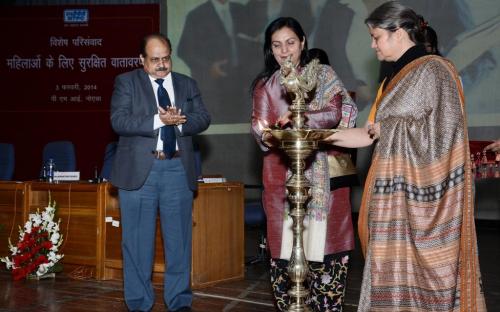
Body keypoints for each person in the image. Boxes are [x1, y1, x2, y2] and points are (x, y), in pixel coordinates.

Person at [324, 1, 487, 311]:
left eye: (376, 37)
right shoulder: (393, 78)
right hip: (392, 205)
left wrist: (393, 129)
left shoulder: (436, 70)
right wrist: (313, 137)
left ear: (398, 32)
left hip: (425, 204)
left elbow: (446, 137)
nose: (372, 45)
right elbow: (371, 133)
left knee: (431, 286)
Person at [250, 17, 357, 311]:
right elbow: (260, 132)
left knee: (327, 263)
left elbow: (336, 112)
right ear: (270, 50)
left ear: (303, 42)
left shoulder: (323, 75)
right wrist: (275, 132)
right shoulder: (265, 86)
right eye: (276, 45)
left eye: (290, 43)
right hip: (281, 185)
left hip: (325, 187)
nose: (284, 51)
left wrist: (300, 119)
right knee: (286, 269)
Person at [110, 33, 210, 312]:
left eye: (166, 58)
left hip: (177, 169)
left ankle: (179, 301)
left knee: (178, 241)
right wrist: (158, 120)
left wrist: (180, 122)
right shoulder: (126, 82)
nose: (162, 65)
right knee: (137, 243)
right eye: (155, 60)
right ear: (142, 60)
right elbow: (118, 120)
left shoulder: (187, 84)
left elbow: (203, 117)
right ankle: (139, 303)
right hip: (140, 172)